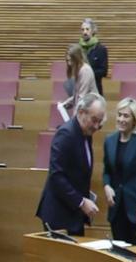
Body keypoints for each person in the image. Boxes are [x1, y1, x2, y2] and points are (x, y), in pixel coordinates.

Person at [37, 93, 106, 234]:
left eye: (99, 122)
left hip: (73, 213)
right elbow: (56, 176)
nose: (96, 126)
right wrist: (81, 202)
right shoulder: (66, 134)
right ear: (81, 112)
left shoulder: (86, 134)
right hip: (59, 215)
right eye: (94, 120)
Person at [103, 97, 136, 244]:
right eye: (119, 114)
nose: (121, 119)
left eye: (126, 116)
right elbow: (107, 171)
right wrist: (107, 185)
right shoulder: (110, 140)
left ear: (135, 119)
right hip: (116, 207)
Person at [61, 42, 98, 119]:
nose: (69, 64)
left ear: (76, 58)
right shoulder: (78, 70)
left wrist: (73, 120)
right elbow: (77, 95)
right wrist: (66, 103)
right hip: (84, 111)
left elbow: (82, 98)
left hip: (90, 112)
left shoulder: (85, 70)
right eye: (67, 61)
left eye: (71, 60)